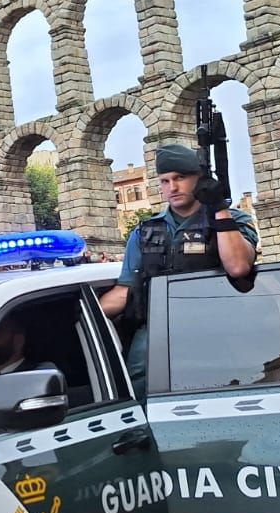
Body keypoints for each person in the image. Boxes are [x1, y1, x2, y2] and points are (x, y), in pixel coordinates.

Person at [98, 143, 257, 399]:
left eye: (180, 178)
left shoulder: (232, 220)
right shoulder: (146, 231)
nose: (172, 188)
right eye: (165, 181)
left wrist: (218, 207)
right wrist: (78, 315)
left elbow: (238, 267)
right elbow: (125, 291)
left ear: (200, 179)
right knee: (139, 388)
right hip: (159, 331)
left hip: (216, 330)